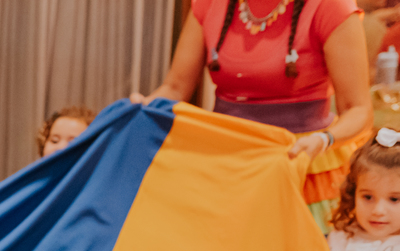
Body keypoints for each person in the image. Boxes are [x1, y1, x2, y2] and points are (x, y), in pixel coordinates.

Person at [139, 0, 372, 231]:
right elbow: (176, 87)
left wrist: (324, 139)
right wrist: (143, 108)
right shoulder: (209, 4)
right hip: (227, 161)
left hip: (299, 161)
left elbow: (359, 110)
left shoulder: (329, 6)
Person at [327, 127, 400, 251]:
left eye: (394, 199)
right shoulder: (342, 236)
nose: (378, 211)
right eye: (367, 197)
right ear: (353, 194)